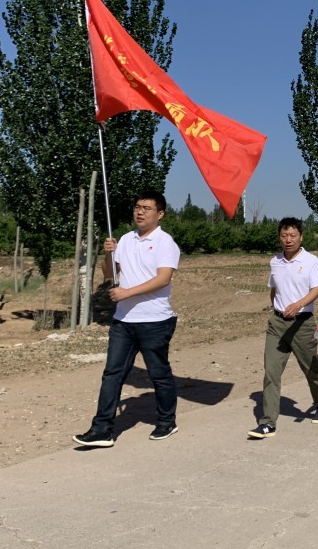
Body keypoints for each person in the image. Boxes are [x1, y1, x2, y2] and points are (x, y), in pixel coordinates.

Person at [73, 191, 181, 448]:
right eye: (136, 207)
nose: (139, 212)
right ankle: (102, 430)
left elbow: (163, 279)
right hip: (124, 321)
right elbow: (111, 273)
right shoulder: (125, 239)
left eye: (146, 208)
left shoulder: (165, 242)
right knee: (112, 374)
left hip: (155, 320)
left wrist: (127, 293)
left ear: (160, 213)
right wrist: (108, 254)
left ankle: (167, 421)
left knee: (158, 374)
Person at [248, 217, 318, 439]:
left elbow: (316, 290)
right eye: (284, 235)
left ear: (301, 237)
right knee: (271, 372)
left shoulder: (310, 260)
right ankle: (267, 423)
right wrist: (277, 308)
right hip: (277, 324)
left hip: (302, 324)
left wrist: (298, 304)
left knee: (310, 369)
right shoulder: (275, 261)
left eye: (293, 235)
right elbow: (273, 289)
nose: (288, 240)